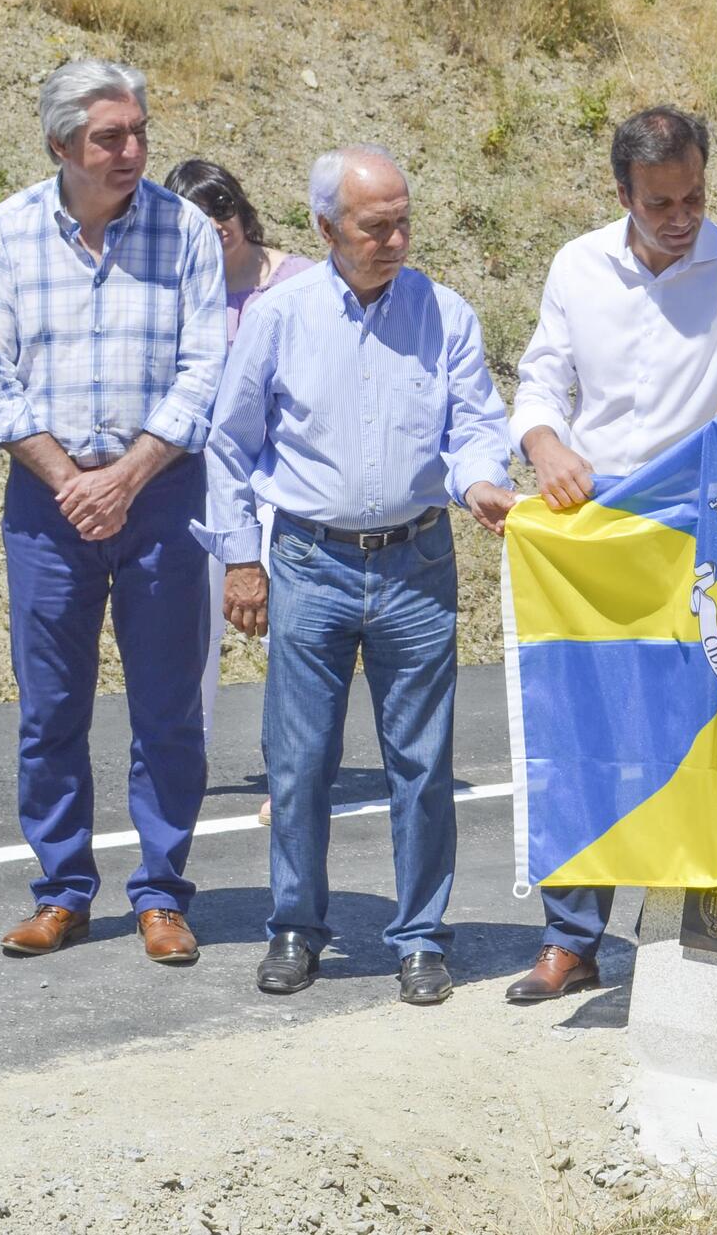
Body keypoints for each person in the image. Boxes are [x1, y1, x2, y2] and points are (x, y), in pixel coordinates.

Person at [200, 145, 517, 1006]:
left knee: (423, 762)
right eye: (376, 226)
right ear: (324, 227)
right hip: (308, 559)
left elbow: (475, 424)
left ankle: (420, 937)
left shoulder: (444, 314)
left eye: (405, 221)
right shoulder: (281, 316)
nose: (397, 239)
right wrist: (239, 556)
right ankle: (297, 928)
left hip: (418, 561)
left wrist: (482, 479)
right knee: (299, 762)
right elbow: (231, 442)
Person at [503, 106, 717, 1004]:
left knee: (696, 730)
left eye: (696, 195)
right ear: (621, 194)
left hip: (692, 529)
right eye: (661, 201)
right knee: (584, 728)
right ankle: (571, 939)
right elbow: (539, 381)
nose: (682, 216)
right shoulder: (576, 265)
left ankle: (698, 931)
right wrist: (545, 444)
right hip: (590, 530)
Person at [0, 58, 225, 965]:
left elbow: (205, 370)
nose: (134, 150)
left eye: (141, 130)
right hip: (47, 502)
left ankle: (161, 893)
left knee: (167, 709)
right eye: (112, 136)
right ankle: (64, 889)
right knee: (51, 709)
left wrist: (129, 474)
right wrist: (70, 475)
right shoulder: (5, 235)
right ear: (60, 145)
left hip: (160, 495)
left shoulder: (185, 231)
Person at [164, 158, 315, 829]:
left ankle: (291, 776)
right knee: (189, 638)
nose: (216, 224)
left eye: (222, 206)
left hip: (284, 481)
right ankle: (181, 771)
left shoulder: (299, 282)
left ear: (243, 208)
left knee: (291, 638)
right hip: (197, 482)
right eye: (197, 215)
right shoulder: (176, 294)